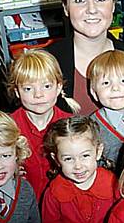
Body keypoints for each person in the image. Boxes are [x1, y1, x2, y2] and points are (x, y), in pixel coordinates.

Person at [41, 115, 118, 223]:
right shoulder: (53, 194)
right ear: (56, 159)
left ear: (98, 152)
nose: (78, 166)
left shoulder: (113, 184)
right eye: (68, 158)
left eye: (85, 156)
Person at [9, 49, 77, 203]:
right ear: (17, 92)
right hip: (22, 203)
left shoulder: (71, 126)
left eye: (46, 86)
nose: (38, 94)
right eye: (28, 88)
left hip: (63, 203)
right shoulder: (7, 128)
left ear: (59, 87)